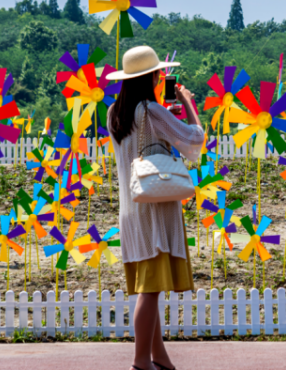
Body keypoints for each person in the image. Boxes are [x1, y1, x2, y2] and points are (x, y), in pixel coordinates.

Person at [106, 45, 204, 370]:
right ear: (152, 77)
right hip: (154, 209)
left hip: (130, 209)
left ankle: (159, 357)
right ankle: (139, 363)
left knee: (149, 289)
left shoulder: (114, 113)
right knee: (150, 292)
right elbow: (193, 140)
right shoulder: (151, 110)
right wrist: (188, 102)